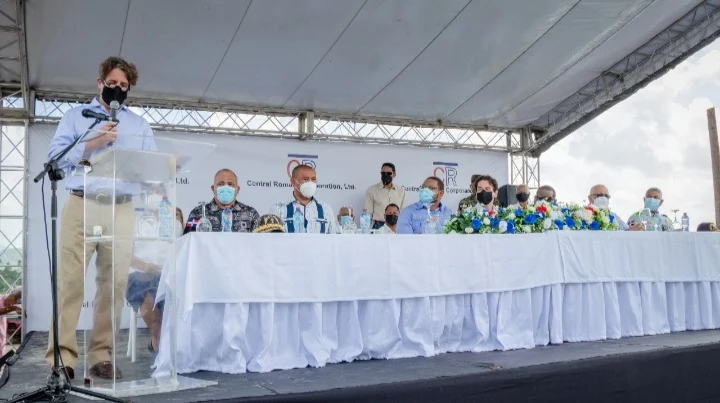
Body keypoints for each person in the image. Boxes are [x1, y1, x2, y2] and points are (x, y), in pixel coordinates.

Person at [46, 56, 156, 380]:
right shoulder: (75, 117)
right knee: (69, 283)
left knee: (114, 285)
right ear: (99, 83)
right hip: (82, 203)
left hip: (121, 208)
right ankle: (61, 358)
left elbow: (152, 167)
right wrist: (95, 142)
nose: (118, 89)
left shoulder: (139, 126)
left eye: (124, 85)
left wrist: (152, 173)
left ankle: (101, 355)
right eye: (112, 83)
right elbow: (54, 160)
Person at [126, 206, 184, 353]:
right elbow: (124, 255)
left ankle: (165, 344)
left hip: (166, 275)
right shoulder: (134, 222)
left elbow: (181, 253)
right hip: (139, 273)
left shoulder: (175, 225)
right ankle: (160, 342)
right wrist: (145, 266)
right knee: (149, 297)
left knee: (171, 293)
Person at [185, 169, 259, 233]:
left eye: (230, 184)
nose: (226, 187)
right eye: (220, 184)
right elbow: (188, 240)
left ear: (237, 190)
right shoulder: (197, 214)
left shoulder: (251, 214)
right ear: (213, 189)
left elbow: (259, 241)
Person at [274, 164, 339, 234]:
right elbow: (271, 238)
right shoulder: (279, 209)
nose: (310, 183)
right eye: (305, 179)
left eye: (313, 179)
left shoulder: (326, 209)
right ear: (293, 182)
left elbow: (334, 238)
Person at [364, 163, 406, 230]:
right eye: (383, 173)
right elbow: (368, 213)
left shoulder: (401, 191)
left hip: (396, 227)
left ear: (394, 174)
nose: (386, 175)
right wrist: (367, 231)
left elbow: (403, 213)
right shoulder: (372, 190)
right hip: (378, 227)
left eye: (389, 173)